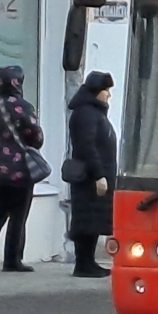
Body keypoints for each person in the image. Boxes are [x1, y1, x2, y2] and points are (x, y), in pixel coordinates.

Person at [0, 64, 44, 272]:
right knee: (18, 216)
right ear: (18, 82)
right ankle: (12, 259)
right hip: (19, 170)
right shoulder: (23, 106)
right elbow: (36, 137)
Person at [66, 69, 117, 278]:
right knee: (87, 220)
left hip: (94, 175)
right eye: (106, 90)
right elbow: (87, 146)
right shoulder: (86, 113)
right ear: (97, 91)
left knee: (93, 219)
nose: (109, 95)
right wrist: (99, 175)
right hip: (90, 177)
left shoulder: (92, 112)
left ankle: (88, 262)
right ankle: (84, 263)